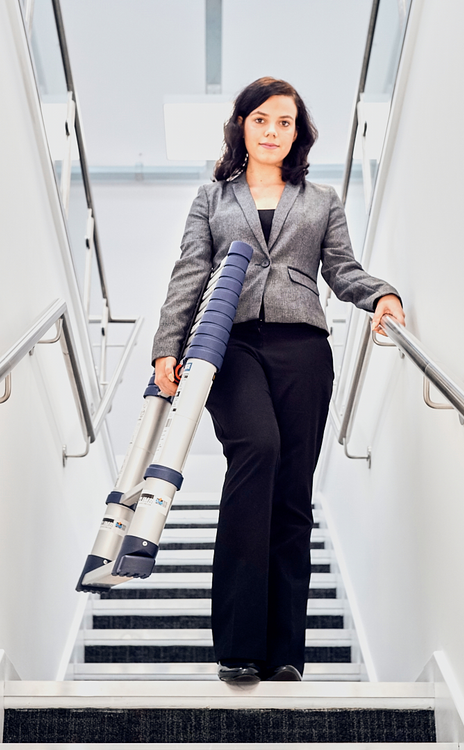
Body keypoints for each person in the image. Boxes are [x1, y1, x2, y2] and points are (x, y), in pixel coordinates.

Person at [152, 77, 405, 684]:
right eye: (261, 120)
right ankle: (237, 644)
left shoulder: (320, 199)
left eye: (284, 122)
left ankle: (285, 650)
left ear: (298, 132)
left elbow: (342, 270)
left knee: (292, 490)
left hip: (303, 348)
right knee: (256, 452)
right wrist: (167, 347)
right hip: (229, 345)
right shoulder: (212, 199)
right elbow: (190, 272)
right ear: (242, 126)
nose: (272, 131)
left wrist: (383, 295)